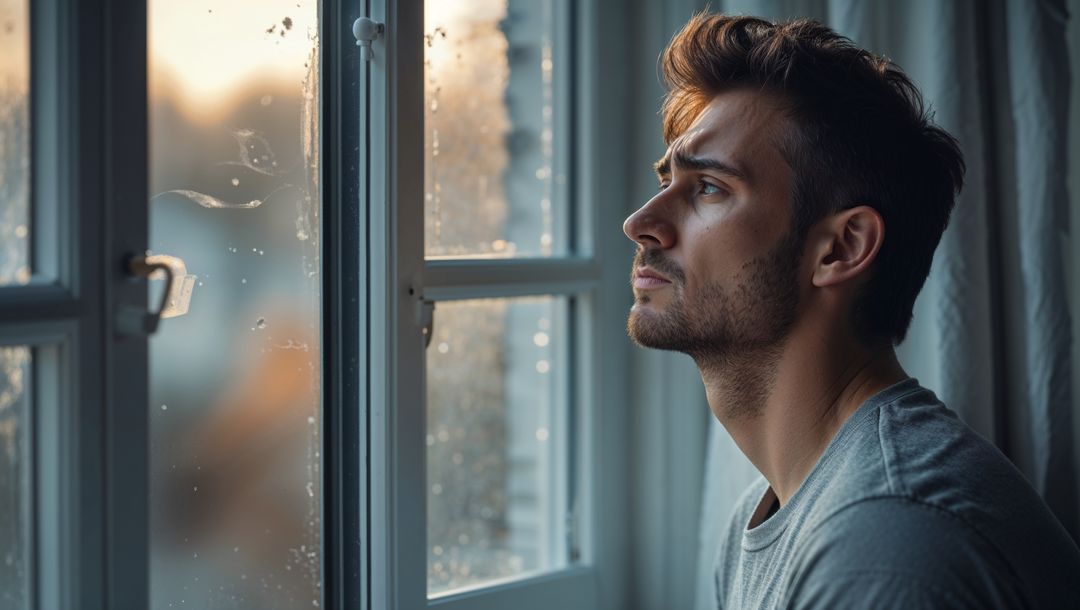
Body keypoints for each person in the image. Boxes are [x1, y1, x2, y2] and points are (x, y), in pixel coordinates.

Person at [622, 13, 1080, 609]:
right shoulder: (769, 515)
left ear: (842, 248)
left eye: (709, 187)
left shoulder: (887, 542)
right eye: (666, 180)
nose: (641, 223)